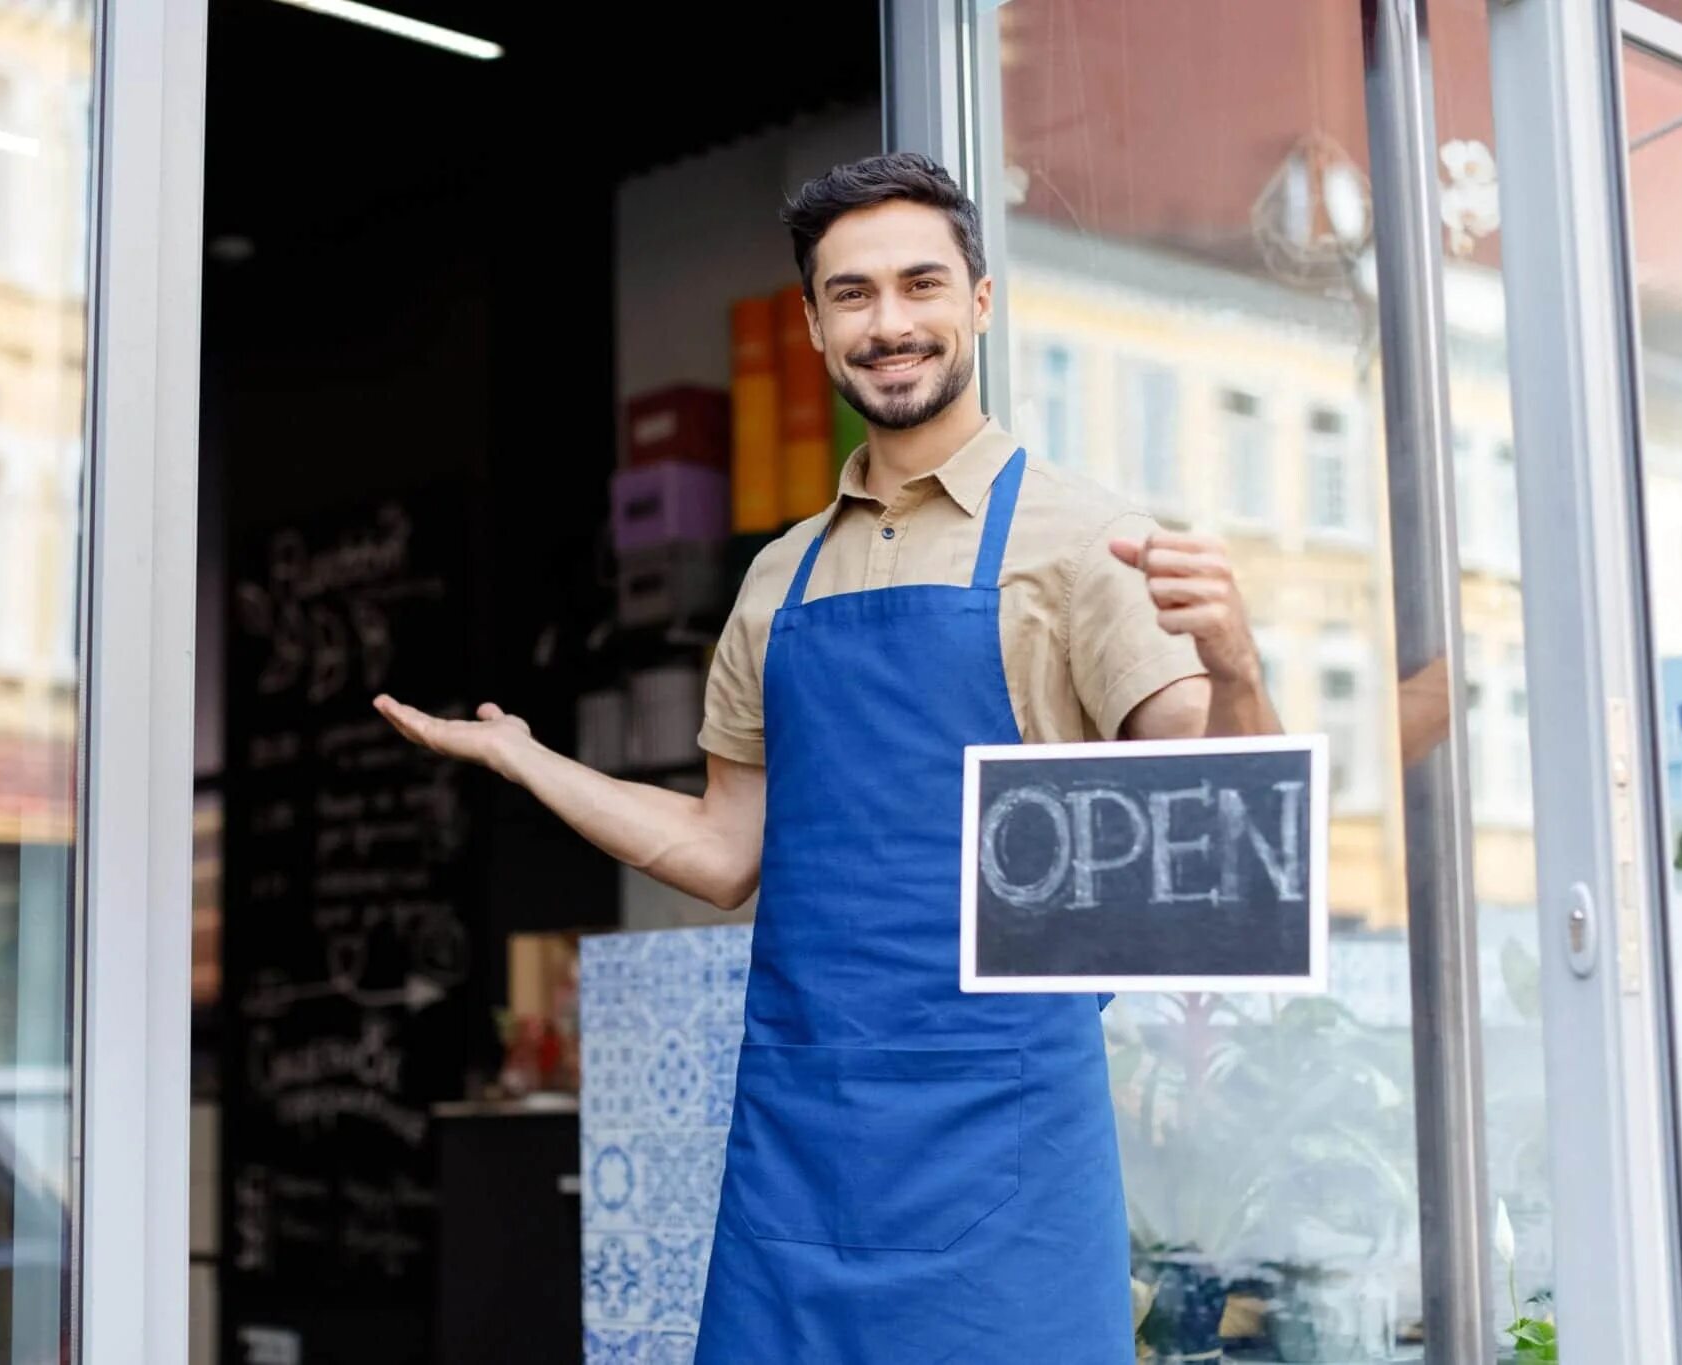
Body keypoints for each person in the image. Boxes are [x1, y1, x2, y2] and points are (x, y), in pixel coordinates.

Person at [376, 152, 1278, 1362]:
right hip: (803, 1136)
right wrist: (526, 761)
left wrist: (1233, 662)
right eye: (850, 295)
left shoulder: (1084, 540)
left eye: (919, 284)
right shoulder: (776, 577)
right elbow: (719, 849)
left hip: (1003, 1137)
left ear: (978, 301)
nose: (888, 322)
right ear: (812, 324)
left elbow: (1221, 839)